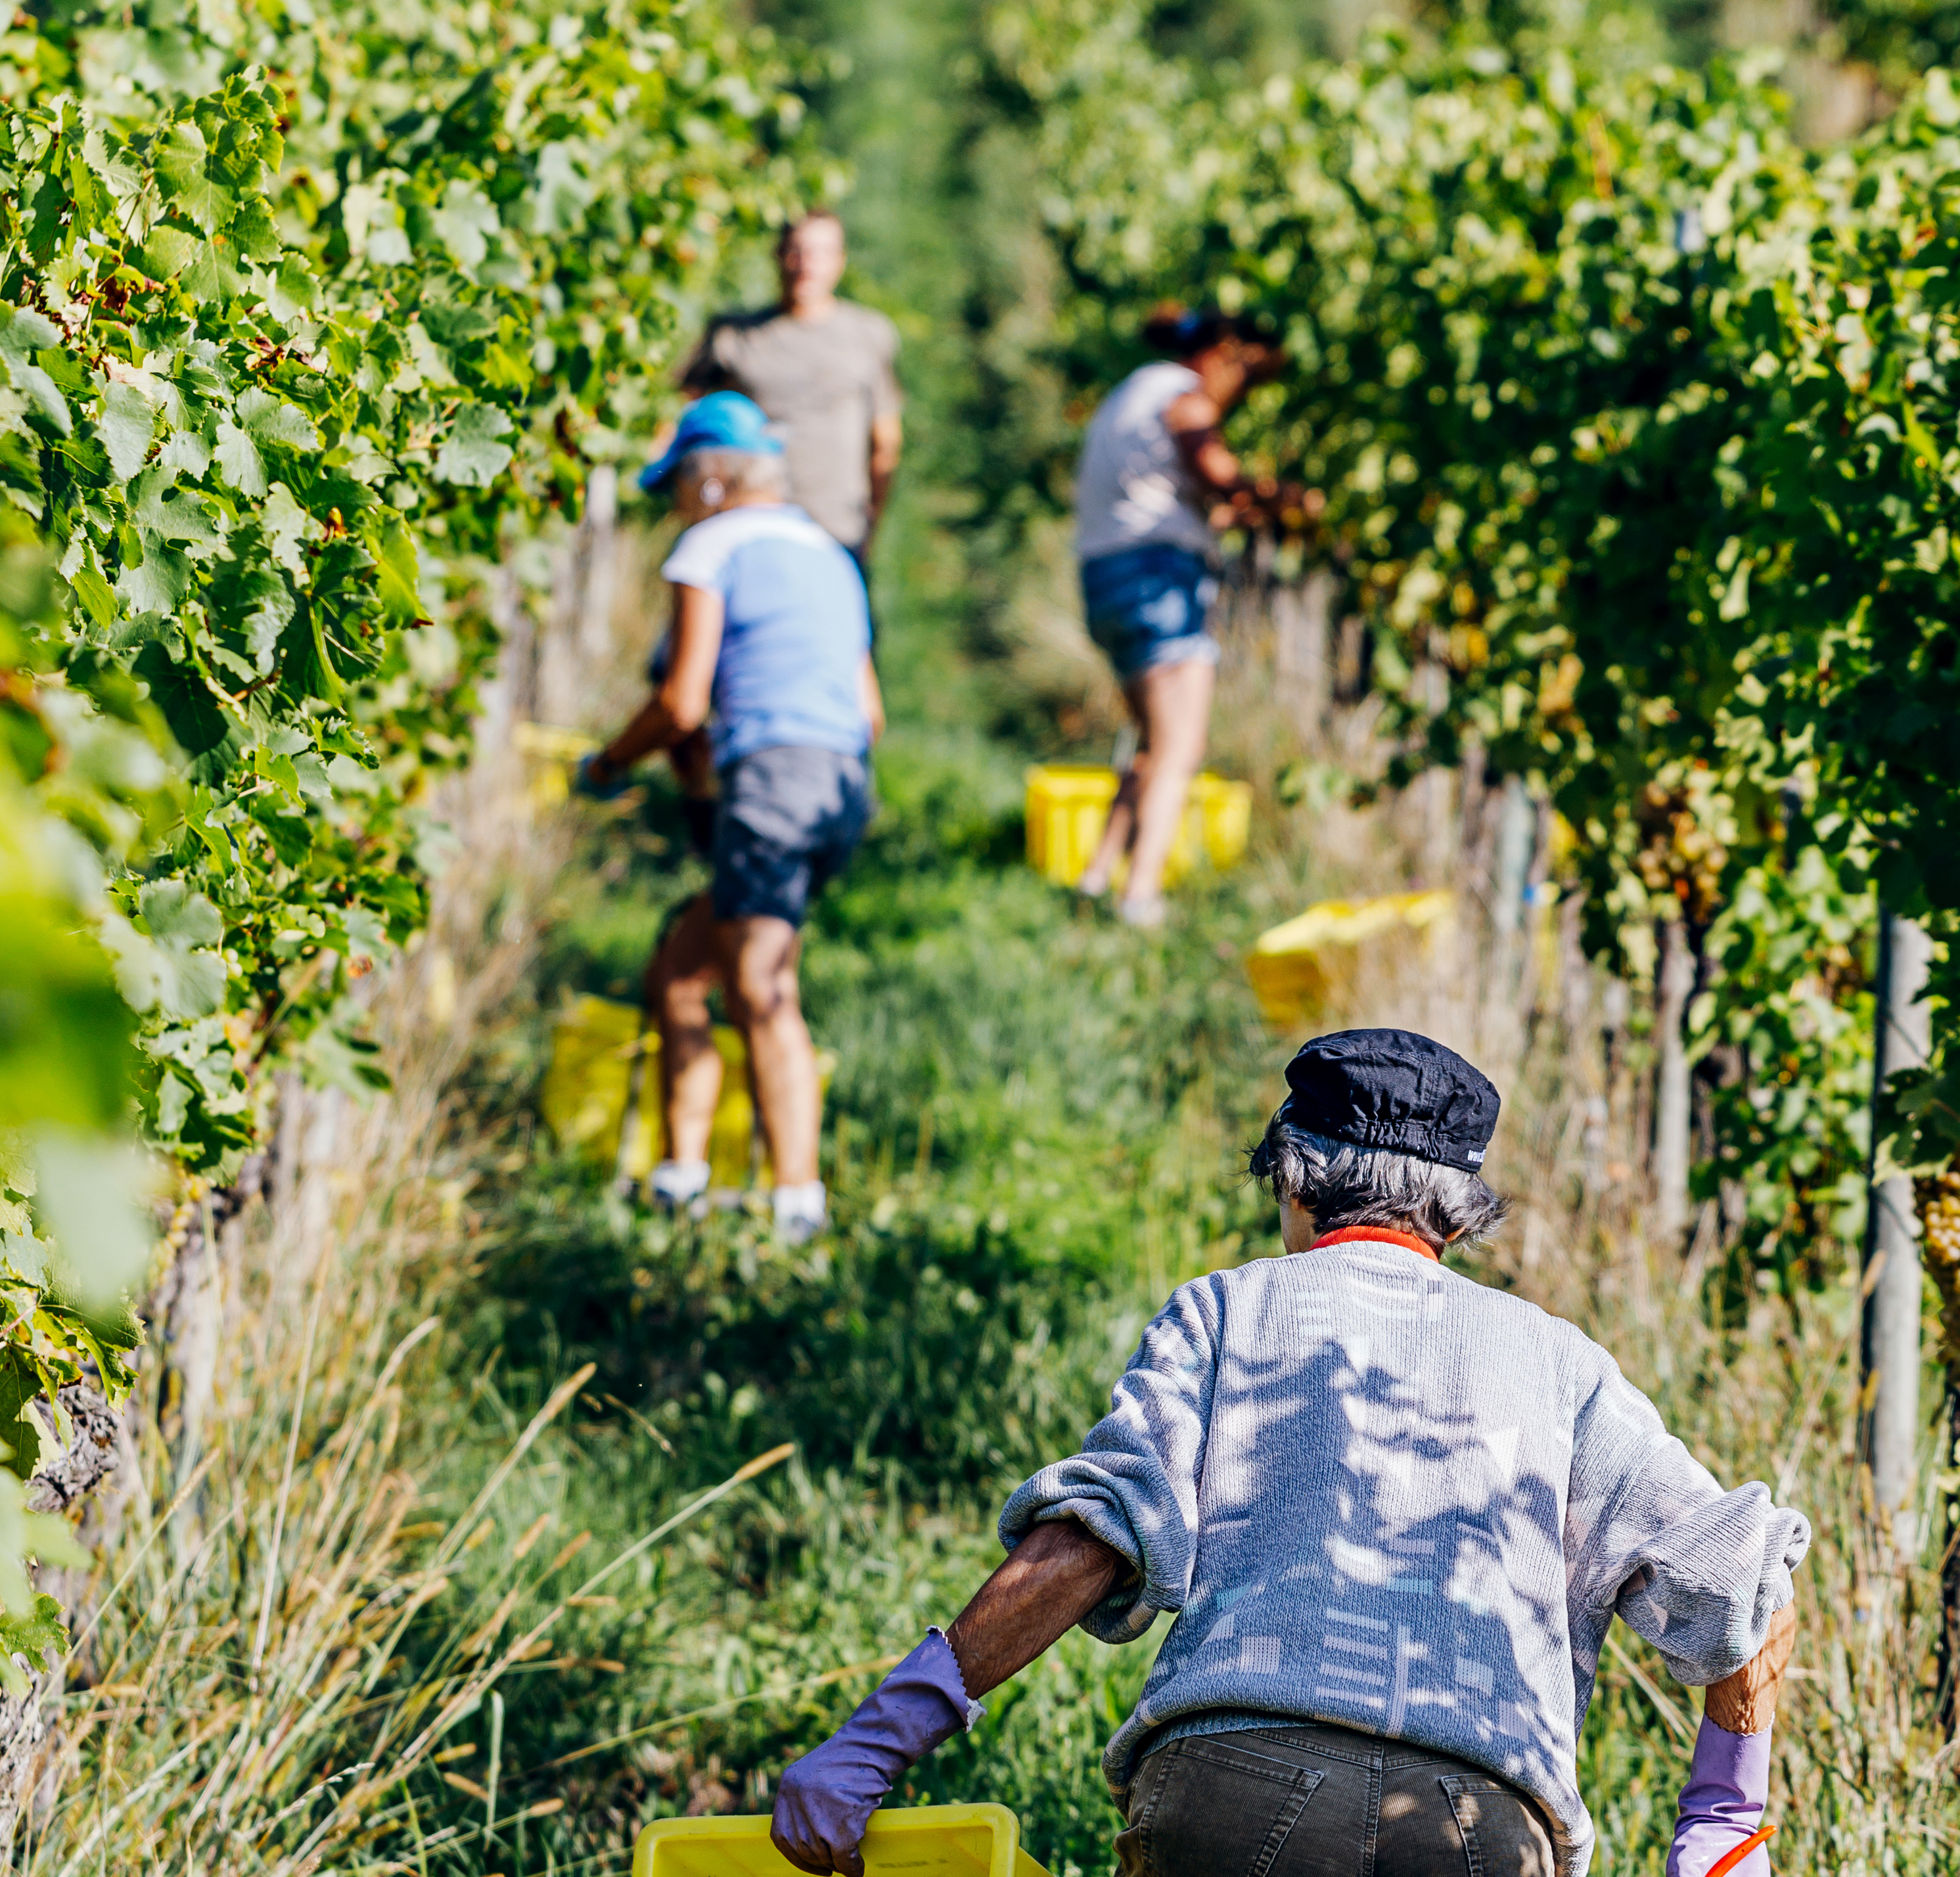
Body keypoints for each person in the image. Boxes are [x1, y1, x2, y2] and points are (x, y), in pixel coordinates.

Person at [767, 1028, 1810, 1877]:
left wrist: (877, 1740)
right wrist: (1722, 1817)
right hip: (1478, 1823)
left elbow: (1094, 1541)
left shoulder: (1225, 1311)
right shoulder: (1562, 1363)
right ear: (1457, 1209)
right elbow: (1742, 1574)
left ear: (1297, 1179)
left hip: (1231, 1793)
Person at [576, 392, 882, 1244]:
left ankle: (795, 1208)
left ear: (713, 480)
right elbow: (871, 711)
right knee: (684, 966)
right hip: (842, 787)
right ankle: (679, 1180)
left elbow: (681, 703)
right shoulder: (832, 554)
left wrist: (605, 766)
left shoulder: (710, 543)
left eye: (677, 480)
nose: (673, 498)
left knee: (760, 987)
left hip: (775, 780)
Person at [1071, 305, 1304, 926]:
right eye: (1247, 376)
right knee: (1181, 745)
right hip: (1159, 577)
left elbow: (1170, 493)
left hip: (1105, 580)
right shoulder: (1183, 399)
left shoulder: (1129, 395)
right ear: (1222, 354)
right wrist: (1291, 502)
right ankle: (1140, 897)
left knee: (1151, 742)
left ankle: (1095, 880)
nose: (1243, 394)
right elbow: (1219, 475)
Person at [677, 212, 904, 582]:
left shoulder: (869, 335)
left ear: (840, 261)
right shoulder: (732, 337)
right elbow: (680, 424)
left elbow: (886, 442)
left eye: (820, 253)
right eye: (796, 251)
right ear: (778, 255)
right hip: (747, 530)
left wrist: (870, 529)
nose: (806, 265)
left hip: (835, 530)